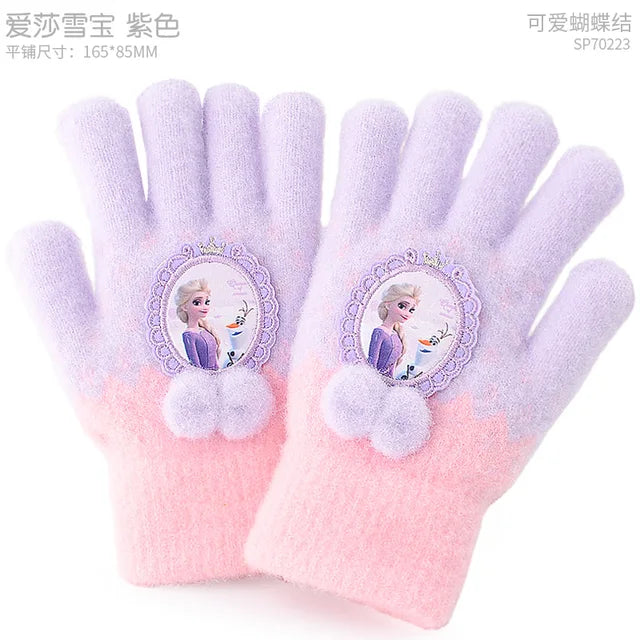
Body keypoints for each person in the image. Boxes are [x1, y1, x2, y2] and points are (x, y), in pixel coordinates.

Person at [367, 283, 421, 378]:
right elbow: (372, 363)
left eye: (411, 310)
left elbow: (393, 366)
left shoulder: (396, 335)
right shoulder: (379, 332)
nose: (407, 313)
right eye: (402, 306)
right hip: (375, 380)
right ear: (388, 305)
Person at [174, 278, 220, 370]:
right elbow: (196, 366)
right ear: (185, 307)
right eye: (197, 303)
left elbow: (215, 358)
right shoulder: (189, 335)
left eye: (207, 302)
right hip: (204, 376)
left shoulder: (204, 330)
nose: (205, 307)